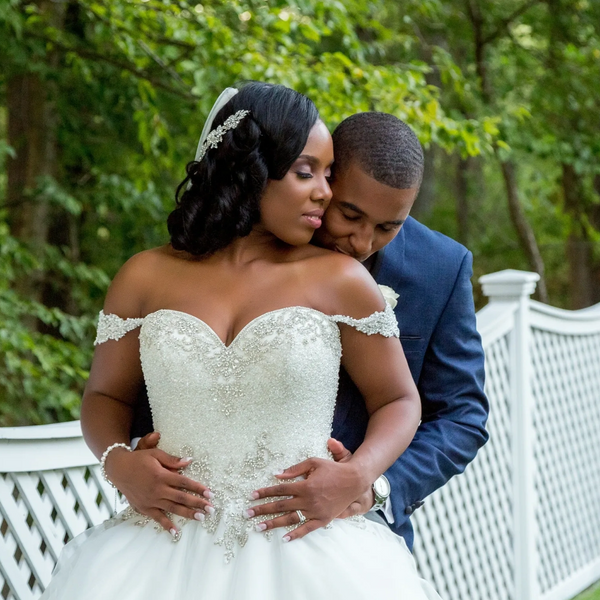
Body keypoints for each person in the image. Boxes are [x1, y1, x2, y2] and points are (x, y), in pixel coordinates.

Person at [40, 82, 441, 599]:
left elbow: (400, 399)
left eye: (327, 175)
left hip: (305, 551)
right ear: (250, 170)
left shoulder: (340, 279)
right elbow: (104, 397)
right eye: (306, 172)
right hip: (161, 553)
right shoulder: (143, 276)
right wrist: (119, 461)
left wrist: (358, 474)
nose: (325, 191)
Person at [128, 111, 489, 550]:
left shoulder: (442, 269)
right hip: (193, 527)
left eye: (388, 227)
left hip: (350, 538)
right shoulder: (237, 248)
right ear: (327, 179)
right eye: (349, 215)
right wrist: (132, 455)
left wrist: (371, 485)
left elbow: (460, 416)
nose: (361, 241)